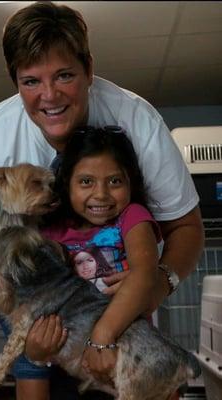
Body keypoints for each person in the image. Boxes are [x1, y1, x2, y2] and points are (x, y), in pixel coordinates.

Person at [0, 2, 204, 399]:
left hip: (122, 320)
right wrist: (27, 316)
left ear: (89, 68)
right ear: (13, 79)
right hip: (40, 306)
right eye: (31, 81)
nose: (49, 96)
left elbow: (186, 227)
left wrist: (157, 283)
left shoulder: (137, 121)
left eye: (65, 75)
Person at [38, 127, 162, 396]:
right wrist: (35, 349)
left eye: (115, 181)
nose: (101, 194)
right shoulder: (51, 233)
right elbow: (40, 300)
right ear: (66, 184)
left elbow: (145, 275)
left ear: (131, 182)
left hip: (128, 358)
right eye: (86, 182)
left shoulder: (132, 217)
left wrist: (102, 338)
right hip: (69, 368)